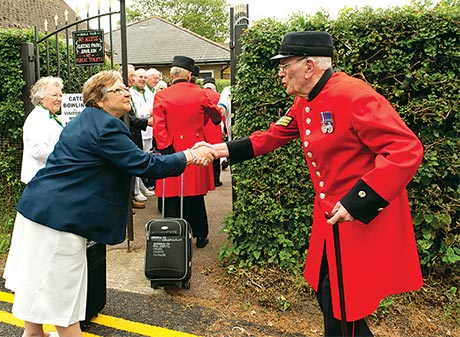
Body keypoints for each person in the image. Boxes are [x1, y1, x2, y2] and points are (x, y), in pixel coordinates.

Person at [194, 31, 424, 336]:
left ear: (309, 66)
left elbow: (406, 149)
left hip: (357, 218)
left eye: (284, 65)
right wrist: (218, 150)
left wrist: (358, 202)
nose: (280, 74)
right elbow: (274, 135)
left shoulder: (354, 94)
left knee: (342, 303)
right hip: (331, 219)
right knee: (331, 295)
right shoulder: (304, 102)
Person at [3, 70, 216, 337]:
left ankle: (33, 333)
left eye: (125, 88)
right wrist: (189, 155)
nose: (127, 92)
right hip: (59, 220)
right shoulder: (106, 127)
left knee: (35, 283)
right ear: (100, 99)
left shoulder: (85, 120)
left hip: (37, 209)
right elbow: (145, 164)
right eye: (118, 89)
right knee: (62, 300)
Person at [153, 56, 222, 248]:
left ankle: (172, 236)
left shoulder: (161, 95)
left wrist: (167, 149)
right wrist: (199, 128)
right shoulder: (200, 93)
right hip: (195, 147)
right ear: (190, 74)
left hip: (171, 148)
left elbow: (159, 127)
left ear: (171, 75)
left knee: (172, 196)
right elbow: (216, 117)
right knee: (194, 195)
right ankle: (200, 234)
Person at [20, 76, 64, 184]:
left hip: (50, 179)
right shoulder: (37, 118)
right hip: (42, 181)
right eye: (54, 95)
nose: (59, 99)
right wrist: (65, 155)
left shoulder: (50, 117)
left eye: (60, 95)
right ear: (41, 98)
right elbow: (38, 151)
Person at [130, 68, 156, 201]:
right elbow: (136, 113)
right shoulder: (131, 92)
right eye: (140, 77)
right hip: (140, 128)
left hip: (149, 131)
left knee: (145, 159)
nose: (143, 79)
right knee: (138, 160)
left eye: (145, 77)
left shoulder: (148, 91)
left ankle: (142, 186)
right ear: (134, 78)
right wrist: (148, 114)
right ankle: (136, 190)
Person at [202, 77, 223, 187]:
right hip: (215, 128)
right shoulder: (218, 96)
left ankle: (204, 180)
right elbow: (221, 113)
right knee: (216, 154)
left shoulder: (200, 94)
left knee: (203, 154)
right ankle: (215, 180)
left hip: (202, 128)